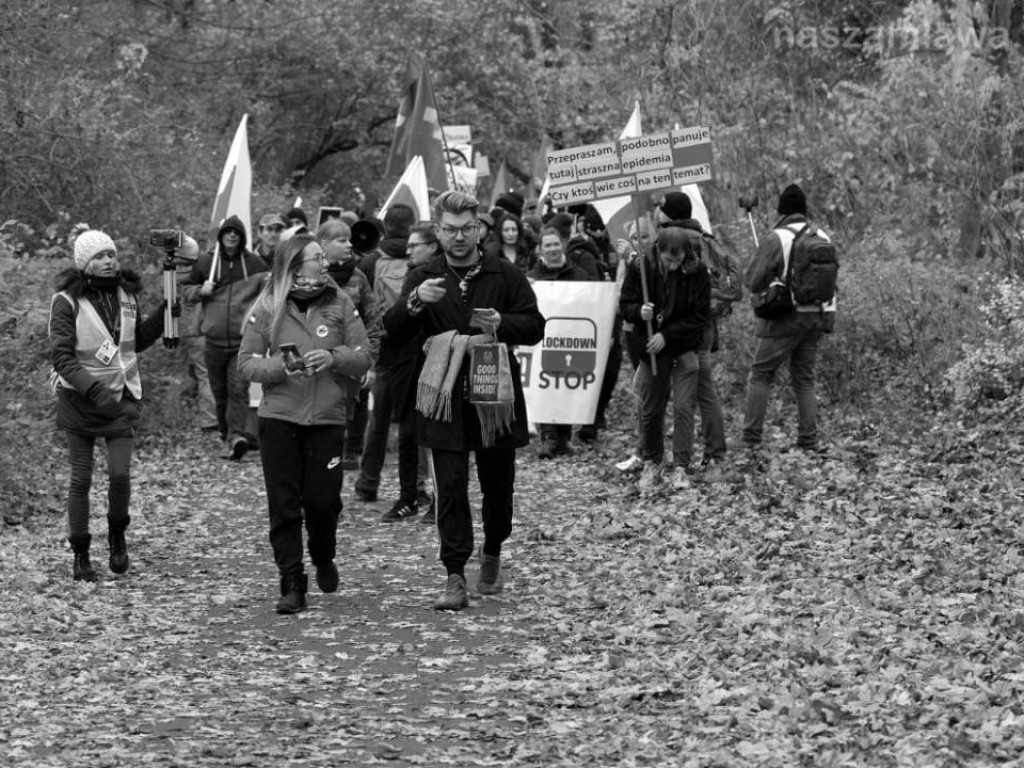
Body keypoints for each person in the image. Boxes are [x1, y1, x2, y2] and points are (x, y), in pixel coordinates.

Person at [385, 191, 545, 610]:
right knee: (451, 488)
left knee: (498, 487)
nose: (459, 237)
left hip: (494, 393)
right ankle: (454, 574)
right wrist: (418, 302)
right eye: (450, 230)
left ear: (479, 229)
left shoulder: (504, 274)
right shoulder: (423, 275)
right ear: (437, 230)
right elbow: (393, 329)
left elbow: (535, 326)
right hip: (444, 395)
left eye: (467, 229)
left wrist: (503, 323)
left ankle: (492, 550)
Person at [238, 228, 373, 614]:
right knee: (284, 506)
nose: (324, 262)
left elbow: (364, 355)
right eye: (317, 257)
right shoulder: (267, 306)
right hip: (279, 419)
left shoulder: (340, 301)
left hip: (327, 418)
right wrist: (281, 368)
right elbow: (245, 363)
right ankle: (292, 582)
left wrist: (334, 358)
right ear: (297, 264)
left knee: (322, 502)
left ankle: (323, 554)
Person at [49, 228, 170, 581]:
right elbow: (61, 357)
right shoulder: (66, 301)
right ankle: (81, 554)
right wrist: (94, 391)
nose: (108, 261)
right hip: (80, 401)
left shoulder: (126, 294)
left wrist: (165, 315)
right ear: (84, 263)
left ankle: (118, 535)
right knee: (81, 479)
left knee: (120, 475)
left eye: (111, 255)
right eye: (100, 256)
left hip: (121, 399)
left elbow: (133, 344)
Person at [741, 183, 835, 453]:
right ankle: (808, 441)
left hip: (785, 319)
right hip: (815, 319)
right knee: (804, 380)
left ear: (781, 211)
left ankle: (750, 439)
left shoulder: (776, 238)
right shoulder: (823, 237)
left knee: (761, 374)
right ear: (804, 210)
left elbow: (752, 280)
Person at [620, 227, 710, 496]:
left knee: (683, 407)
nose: (673, 265)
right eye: (668, 260)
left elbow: (700, 316)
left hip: (683, 345)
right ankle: (651, 462)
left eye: (678, 259)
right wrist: (639, 311)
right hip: (650, 349)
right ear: (658, 253)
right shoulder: (641, 267)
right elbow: (625, 304)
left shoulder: (697, 272)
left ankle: (681, 466)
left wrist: (667, 335)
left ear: (686, 254)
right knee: (651, 407)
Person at [359, 223, 440, 523]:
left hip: (441, 363)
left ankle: (440, 500)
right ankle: (409, 497)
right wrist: (414, 301)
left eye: (415, 245)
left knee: (438, 435)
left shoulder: (448, 273)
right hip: (405, 363)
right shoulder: (414, 276)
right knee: (407, 432)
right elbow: (393, 320)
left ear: (432, 246)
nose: (408, 250)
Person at [657, 192, 743, 466]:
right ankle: (714, 452)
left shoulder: (674, 241)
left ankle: (711, 454)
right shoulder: (705, 237)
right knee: (705, 390)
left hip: (683, 329)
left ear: (668, 215)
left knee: (694, 392)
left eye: (661, 209)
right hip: (705, 323)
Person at [182, 216, 268, 459]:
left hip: (243, 342)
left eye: (236, 233)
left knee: (239, 389)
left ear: (242, 237)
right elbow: (186, 293)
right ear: (221, 235)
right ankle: (225, 435)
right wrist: (201, 290)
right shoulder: (206, 262)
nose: (232, 236)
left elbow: (269, 294)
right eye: (227, 232)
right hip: (213, 340)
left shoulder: (255, 264)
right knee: (220, 392)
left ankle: (236, 437)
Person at [319, 217, 380, 469]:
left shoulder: (359, 278)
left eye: (349, 240)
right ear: (323, 245)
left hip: (353, 360)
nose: (348, 244)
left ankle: (351, 451)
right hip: (319, 364)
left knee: (352, 410)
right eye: (341, 240)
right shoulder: (310, 275)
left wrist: (371, 361)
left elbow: (374, 320)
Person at [528, 228, 588, 459]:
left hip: (572, 338)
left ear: (562, 245)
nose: (552, 249)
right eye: (547, 245)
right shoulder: (532, 277)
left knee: (567, 385)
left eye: (555, 244)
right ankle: (549, 437)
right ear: (540, 249)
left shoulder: (579, 274)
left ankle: (565, 438)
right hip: (543, 340)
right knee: (545, 386)